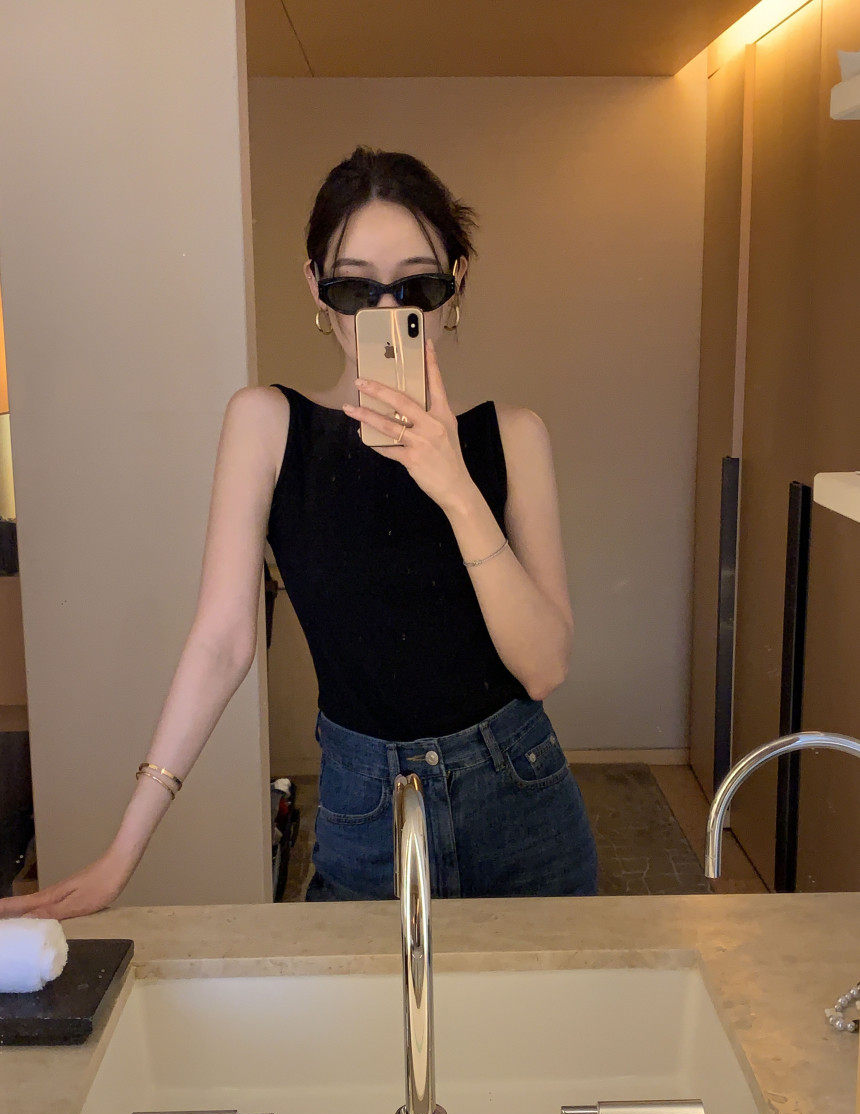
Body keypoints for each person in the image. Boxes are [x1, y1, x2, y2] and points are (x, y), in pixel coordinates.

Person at [0, 146, 597, 919]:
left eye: (416, 285)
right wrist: (122, 854)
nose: (385, 312)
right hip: (365, 803)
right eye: (355, 287)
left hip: (520, 797)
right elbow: (221, 642)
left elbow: (544, 666)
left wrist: (454, 486)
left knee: (545, 1004)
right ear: (316, 287)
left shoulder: (513, 436)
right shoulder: (268, 426)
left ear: (456, 283)